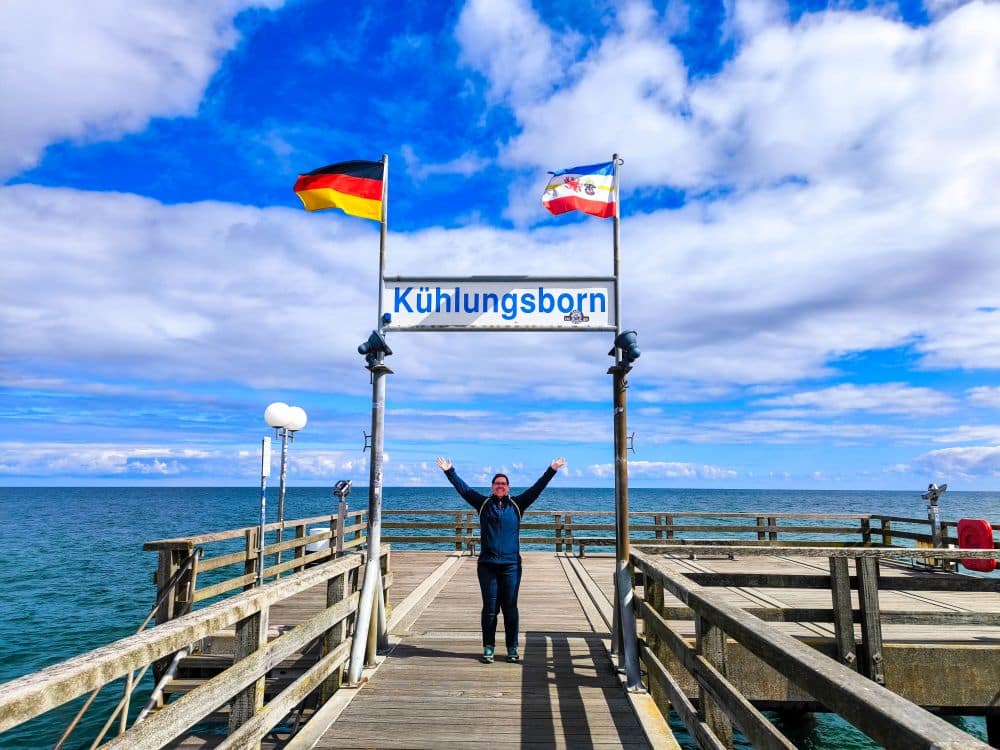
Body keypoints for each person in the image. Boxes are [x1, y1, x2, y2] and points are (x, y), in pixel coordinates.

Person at [436, 456, 566, 663]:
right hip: (487, 565)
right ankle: (489, 647)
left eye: (503, 484)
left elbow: (537, 488)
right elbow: (464, 489)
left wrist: (552, 469)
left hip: (511, 565)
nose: (500, 487)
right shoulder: (483, 504)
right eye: (497, 484)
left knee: (510, 607)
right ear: (492, 487)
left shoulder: (517, 504)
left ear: (508, 487)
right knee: (490, 609)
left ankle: (512, 648)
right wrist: (449, 471)